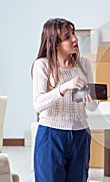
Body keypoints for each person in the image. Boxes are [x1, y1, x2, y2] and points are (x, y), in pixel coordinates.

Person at [31, 18, 98, 182]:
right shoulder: (43, 65)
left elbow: (92, 107)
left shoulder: (84, 64)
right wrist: (64, 87)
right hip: (51, 135)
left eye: (73, 33)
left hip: (81, 134)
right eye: (67, 37)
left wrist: (89, 97)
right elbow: (38, 104)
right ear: (55, 44)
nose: (74, 39)